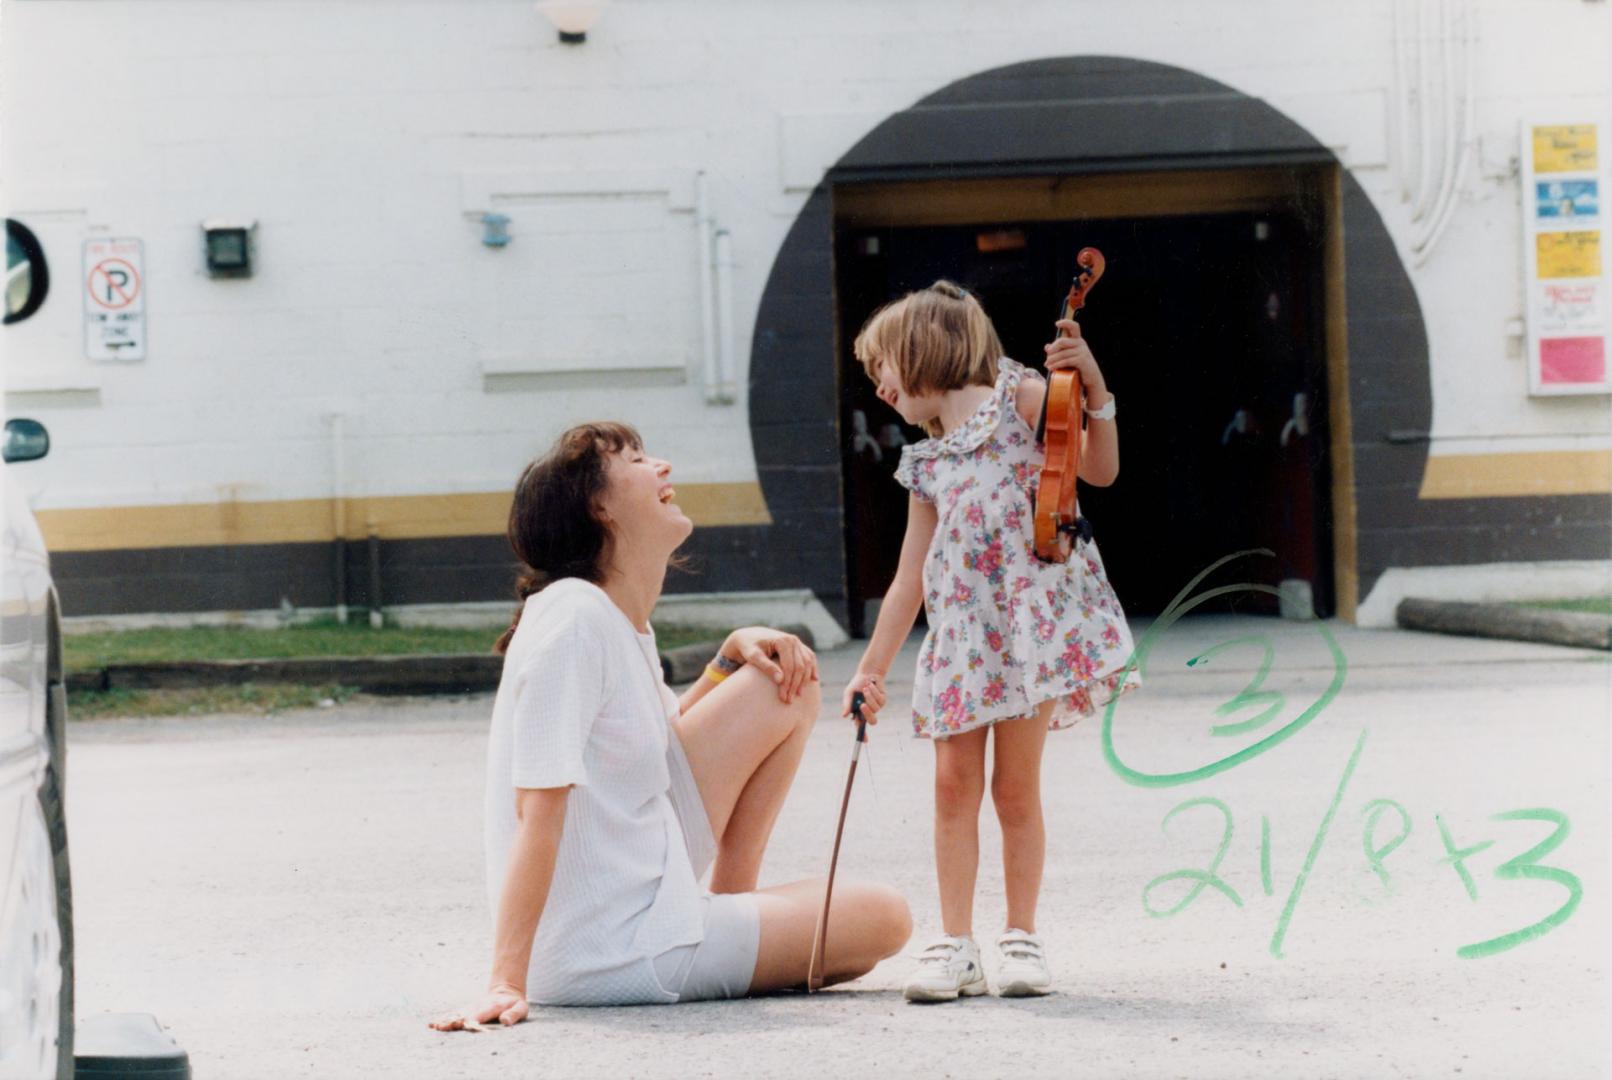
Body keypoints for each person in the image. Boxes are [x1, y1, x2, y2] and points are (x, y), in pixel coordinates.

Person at [432, 422, 911, 1025]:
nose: (661, 466)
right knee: (885, 917)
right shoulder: (574, 619)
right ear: (598, 507)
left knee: (782, 681)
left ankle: (730, 916)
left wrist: (726, 658)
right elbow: (536, 809)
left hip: (642, 912)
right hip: (618, 951)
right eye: (635, 460)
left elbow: (655, 746)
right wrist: (505, 980)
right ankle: (728, 933)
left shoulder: (609, 615)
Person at [841, 282, 1139, 1002]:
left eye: (883, 368)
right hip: (962, 645)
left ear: (924, 355)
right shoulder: (927, 461)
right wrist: (871, 669)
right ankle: (955, 946)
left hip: (1027, 637)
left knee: (1014, 790)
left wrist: (1092, 380)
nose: (878, 387)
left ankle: (1021, 935)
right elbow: (909, 579)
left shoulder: (1025, 398)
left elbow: (1098, 470)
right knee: (951, 788)